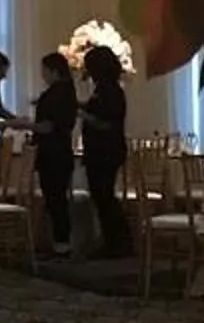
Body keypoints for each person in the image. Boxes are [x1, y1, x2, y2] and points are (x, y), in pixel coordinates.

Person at [78, 44, 130, 256]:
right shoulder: (103, 89)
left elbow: (106, 123)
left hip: (105, 151)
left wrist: (83, 115)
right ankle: (114, 241)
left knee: (104, 196)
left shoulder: (111, 91)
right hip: (100, 151)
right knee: (102, 197)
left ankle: (118, 242)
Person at [30, 52, 80, 251]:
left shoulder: (56, 94)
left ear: (53, 71)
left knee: (55, 199)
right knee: (56, 198)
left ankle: (62, 243)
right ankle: (60, 243)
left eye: (44, 70)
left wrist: (26, 125)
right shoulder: (68, 91)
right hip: (61, 151)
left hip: (53, 153)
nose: (42, 74)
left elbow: (49, 126)